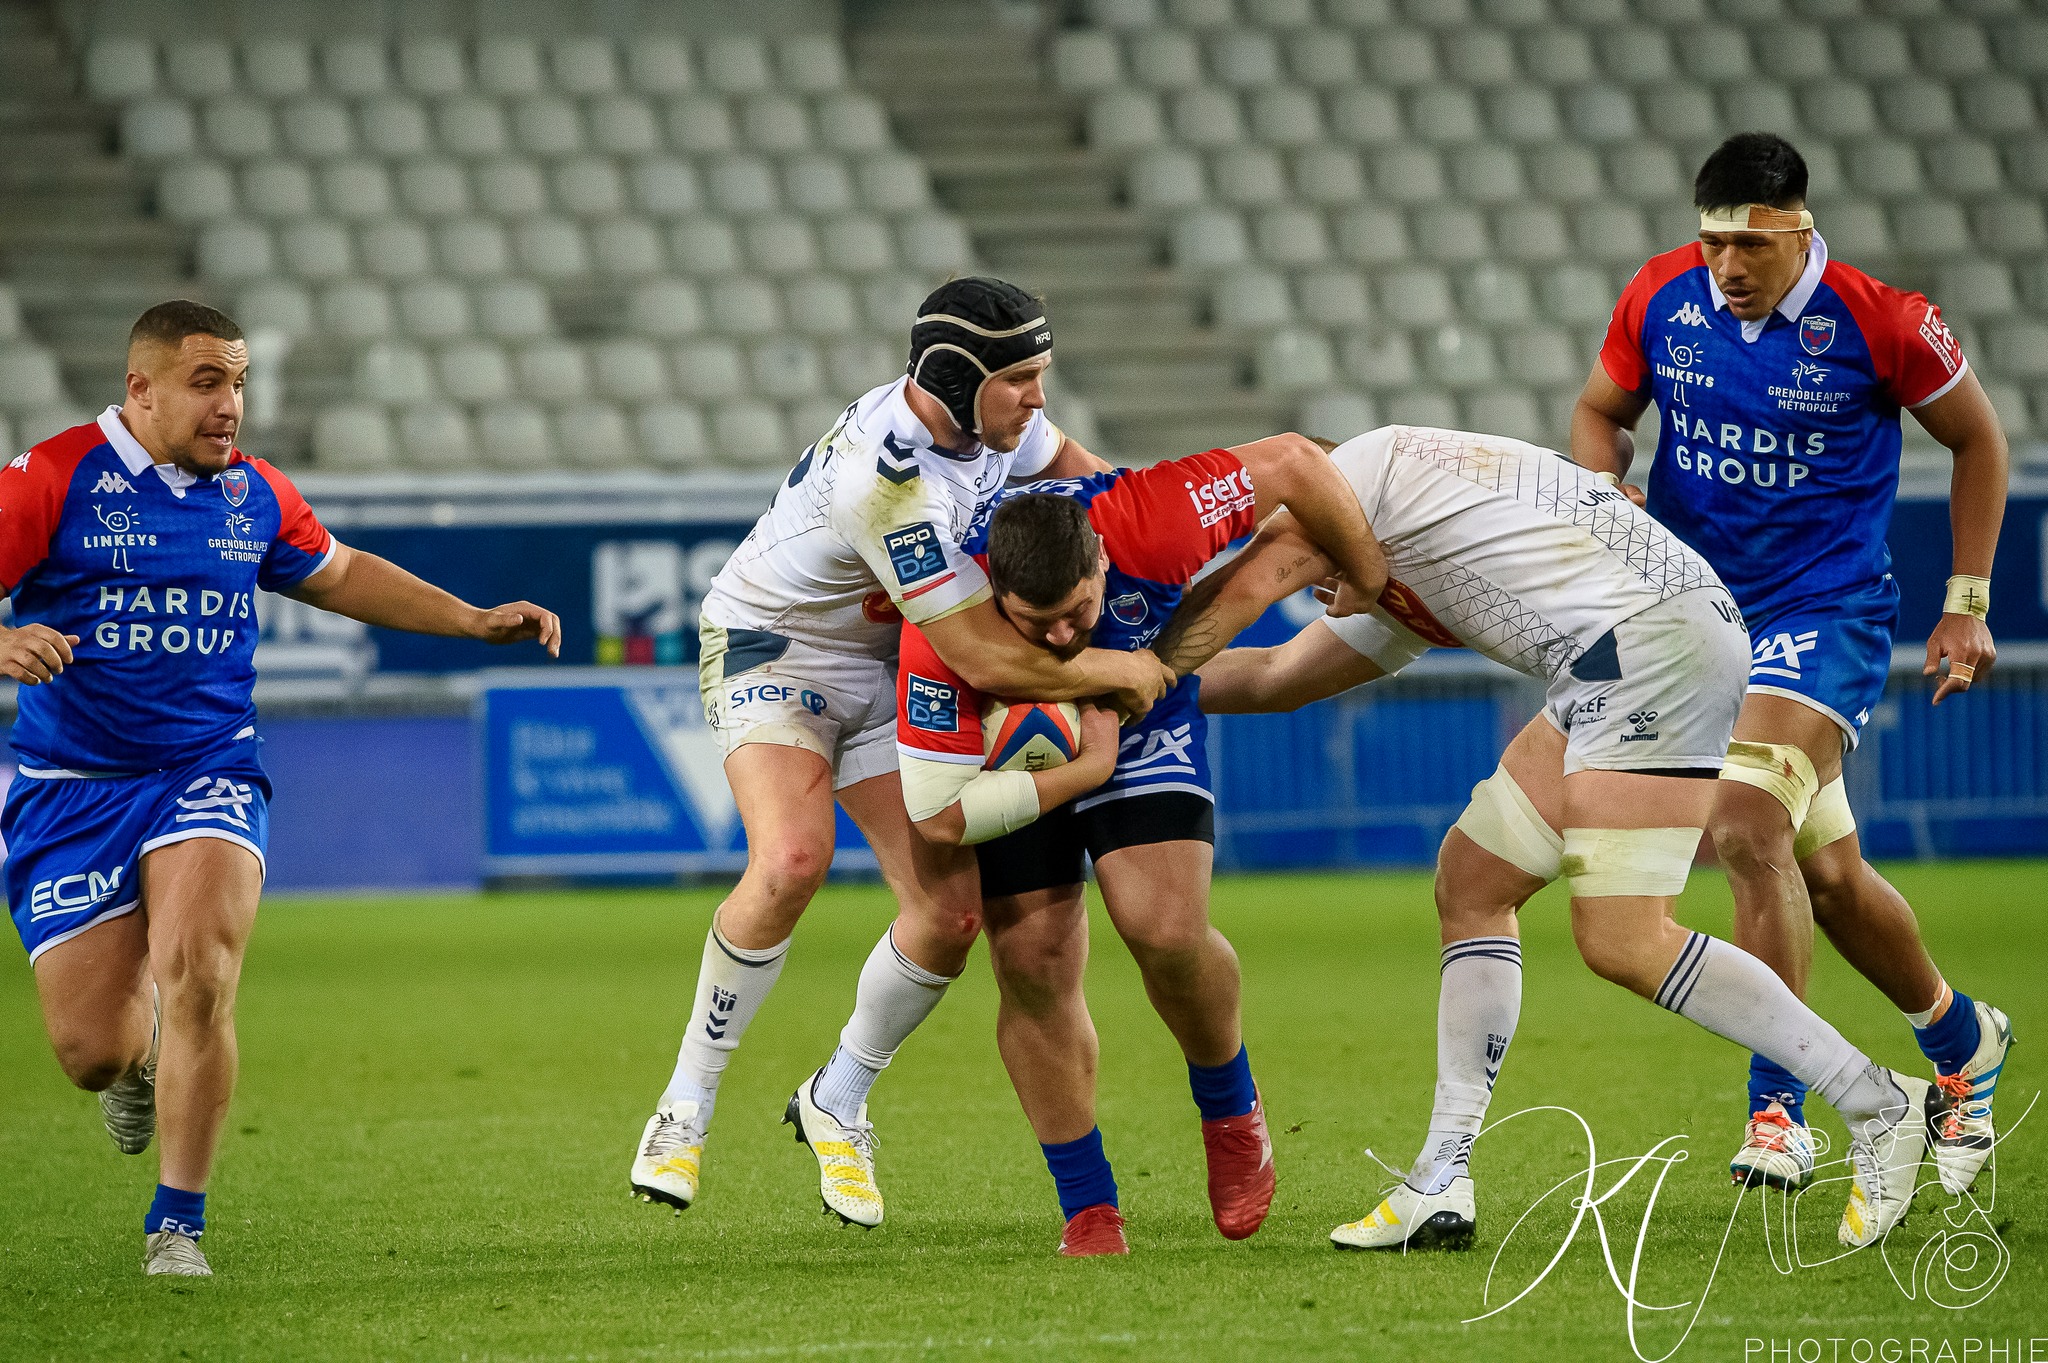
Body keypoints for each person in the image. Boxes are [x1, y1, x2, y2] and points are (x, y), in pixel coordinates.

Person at [1178, 424, 1934, 1253]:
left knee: (1624, 938)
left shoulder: (1365, 467)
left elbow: (1248, 583)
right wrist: (1136, 696)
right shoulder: (1398, 561)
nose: (1283, 541)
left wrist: (1123, 670)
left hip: (1650, 644)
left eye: (1291, 519)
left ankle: (1878, 1100)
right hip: (1618, 652)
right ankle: (1441, 1176)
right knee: (1473, 878)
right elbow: (1276, 675)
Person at [0, 301, 561, 1277]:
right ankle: (136, 1059)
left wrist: (470, 620)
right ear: (141, 389)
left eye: (239, 382)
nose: (231, 405)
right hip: (71, 788)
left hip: (208, 767)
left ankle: (177, 1224)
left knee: (202, 971)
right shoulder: (52, 479)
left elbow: (339, 573)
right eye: (206, 383)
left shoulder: (252, 493)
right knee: (92, 1051)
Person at [628, 278, 1174, 1226]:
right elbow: (978, 653)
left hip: (891, 661)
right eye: (1020, 379)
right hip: (778, 647)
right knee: (791, 858)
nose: (1038, 397)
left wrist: (1205, 552)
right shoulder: (886, 484)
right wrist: (1116, 673)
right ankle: (684, 1105)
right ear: (959, 379)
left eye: (1040, 373)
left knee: (951, 915)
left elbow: (1111, 496)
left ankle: (837, 1094)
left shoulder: (993, 428)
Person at [1573, 133, 2012, 1194]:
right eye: (1712, 243)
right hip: (1699, 613)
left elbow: (1979, 441)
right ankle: (1963, 1040)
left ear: (1801, 230)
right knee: (1830, 878)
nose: (1727, 266)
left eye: (1752, 245)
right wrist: (1603, 487)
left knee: (1742, 824)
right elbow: (1598, 414)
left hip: (1824, 610)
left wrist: (1965, 601)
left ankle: (1779, 1114)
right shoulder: (1660, 296)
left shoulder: (1884, 320)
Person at [889, 436, 1386, 1256]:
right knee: (1033, 961)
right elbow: (940, 815)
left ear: (1101, 561)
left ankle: (1231, 1107)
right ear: (994, 594)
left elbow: (1300, 460)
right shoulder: (943, 618)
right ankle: (1088, 1204)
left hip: (1145, 716)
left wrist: (1365, 568)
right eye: (1035, 625)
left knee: (1165, 928)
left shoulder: (1151, 521)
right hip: (1012, 747)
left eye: (1079, 612)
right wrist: (1084, 764)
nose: (1061, 638)